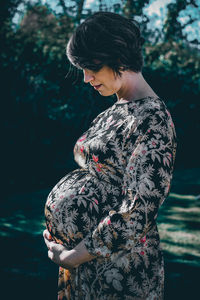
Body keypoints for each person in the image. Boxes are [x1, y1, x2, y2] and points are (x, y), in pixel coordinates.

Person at [43, 11, 177, 300]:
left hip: (118, 272)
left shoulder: (153, 119)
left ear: (119, 57)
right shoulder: (115, 110)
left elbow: (137, 211)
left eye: (91, 66)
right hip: (86, 266)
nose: (86, 77)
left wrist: (73, 256)